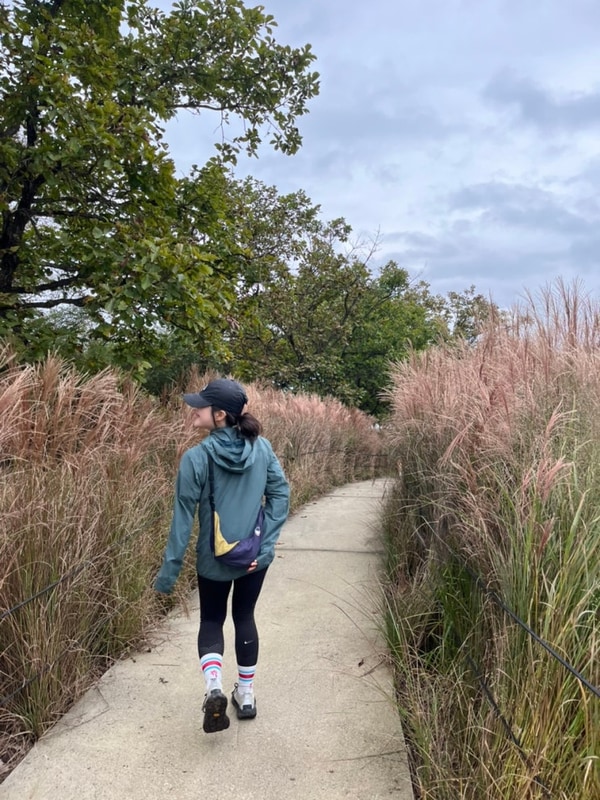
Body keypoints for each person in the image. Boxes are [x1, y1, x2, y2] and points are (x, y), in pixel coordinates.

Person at [154, 378, 290, 733]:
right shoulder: (263, 449)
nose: (193, 409)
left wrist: (168, 575)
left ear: (219, 415)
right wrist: (266, 545)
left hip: (213, 559)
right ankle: (245, 695)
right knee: (244, 616)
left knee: (212, 620)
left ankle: (213, 687)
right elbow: (280, 496)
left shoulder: (196, 458)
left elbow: (182, 520)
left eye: (200, 405)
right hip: (254, 558)